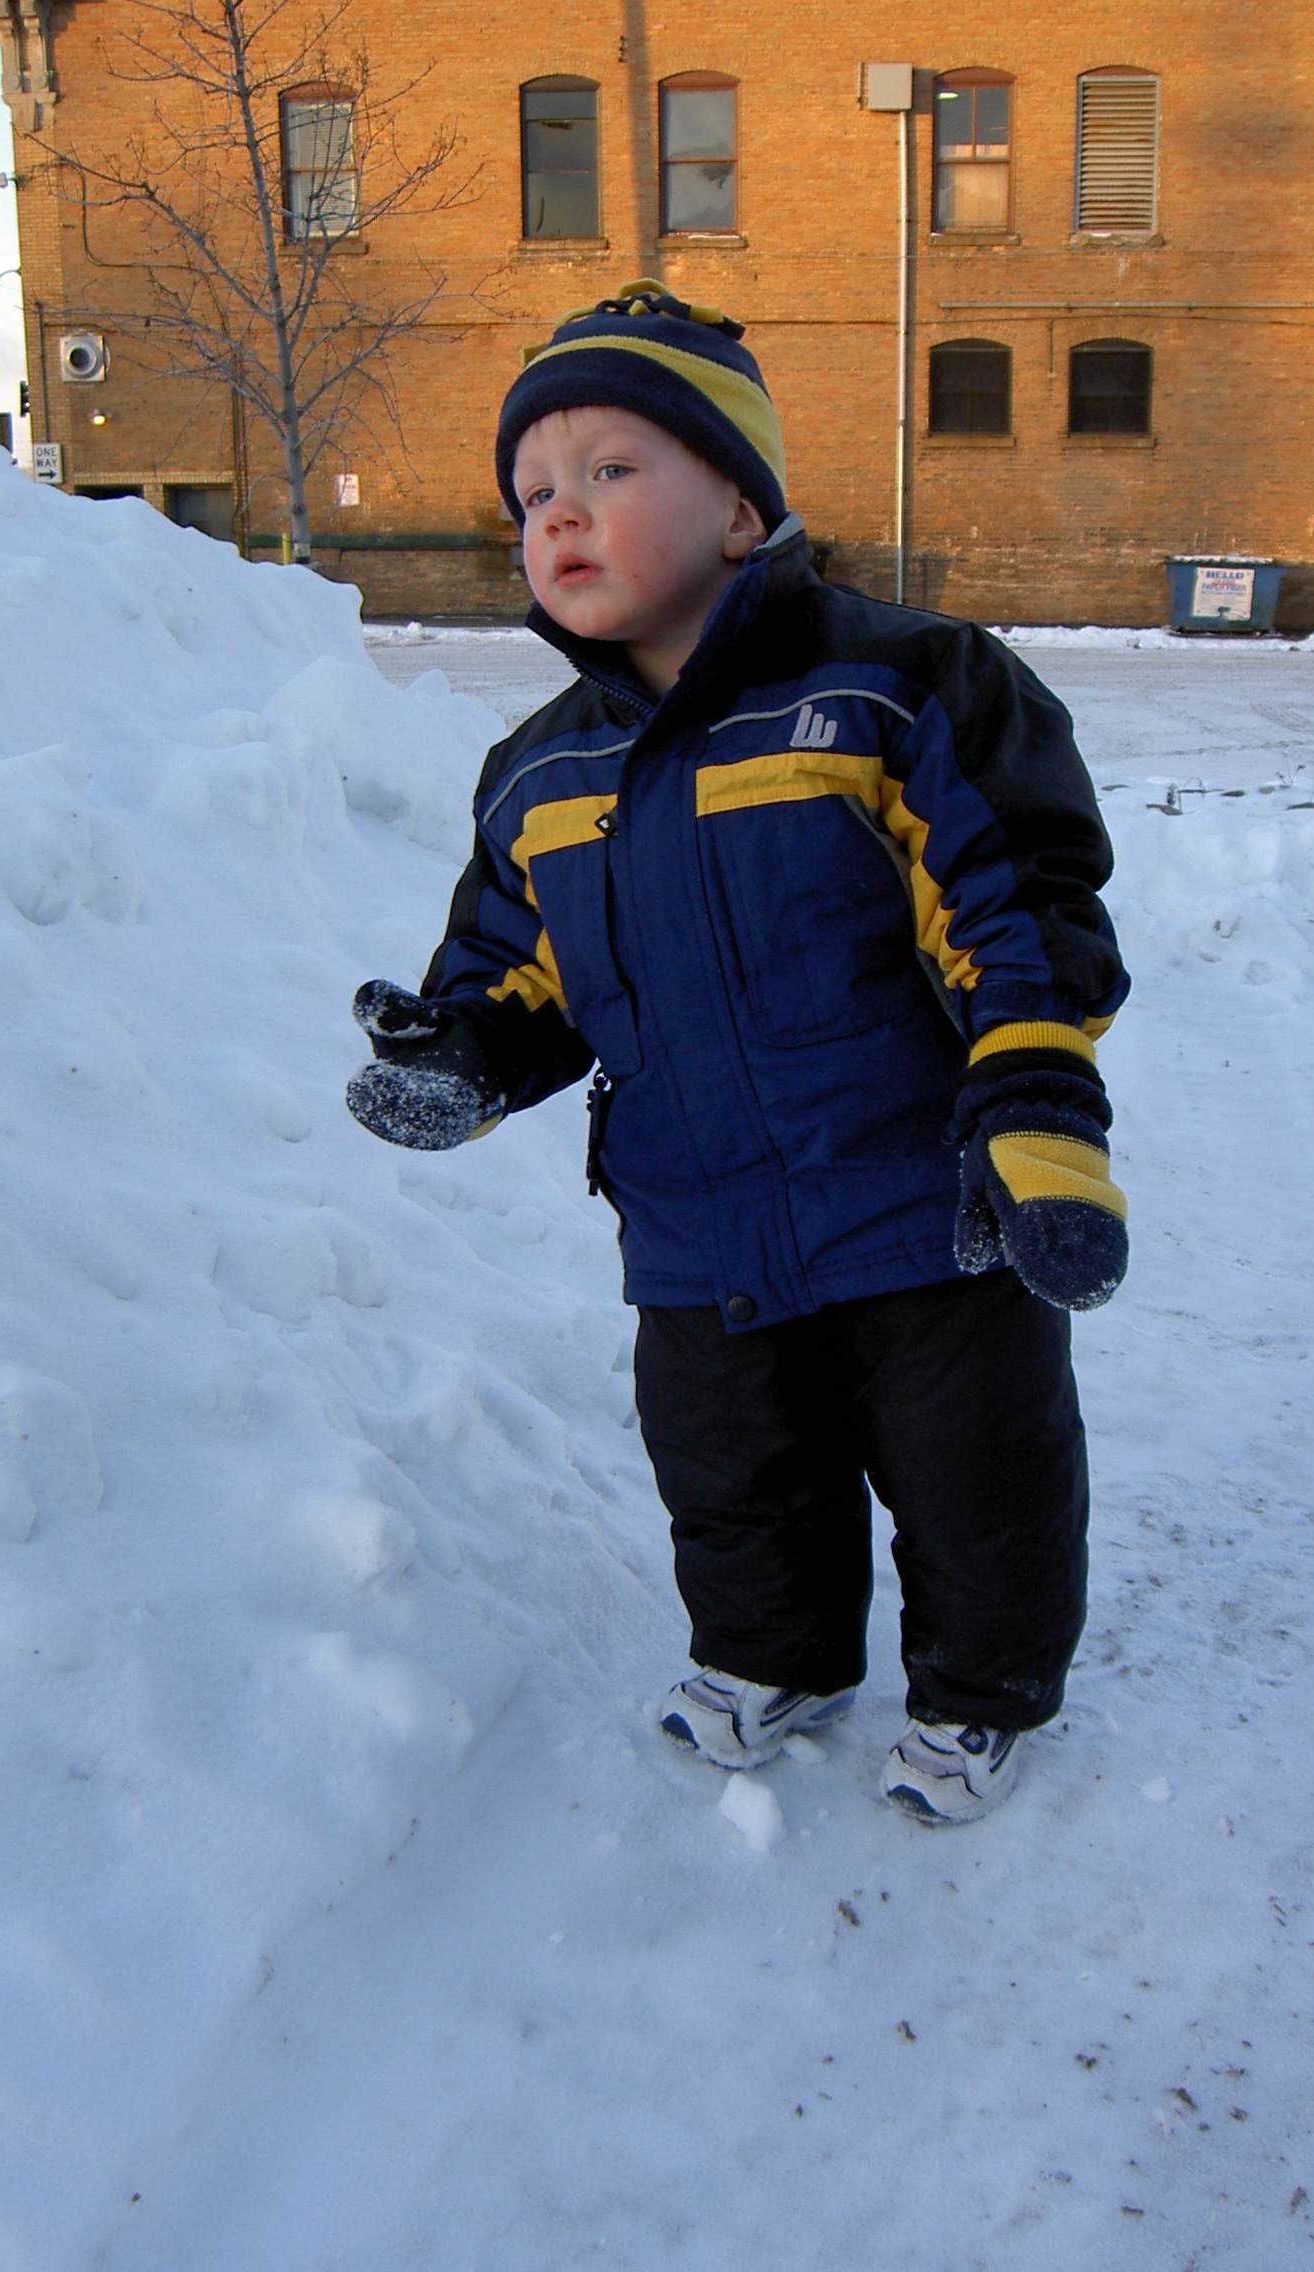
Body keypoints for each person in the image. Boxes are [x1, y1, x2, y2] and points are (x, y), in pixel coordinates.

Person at [347, 281, 1130, 1825]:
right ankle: (775, 1657)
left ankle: (981, 1694)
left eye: (611, 471)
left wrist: (1037, 1107)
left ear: (741, 510)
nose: (563, 515)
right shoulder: (539, 771)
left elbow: (1017, 909)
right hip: (695, 1216)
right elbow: (525, 970)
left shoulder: (899, 688)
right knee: (733, 1472)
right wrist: (463, 1052)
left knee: (977, 1471)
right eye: (533, 494)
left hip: (921, 1204)